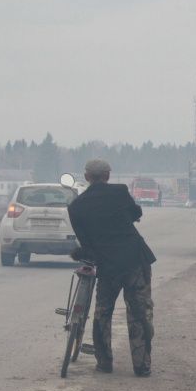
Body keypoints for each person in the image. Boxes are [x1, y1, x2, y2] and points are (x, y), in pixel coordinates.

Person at [67, 159, 156, 377]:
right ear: (108, 175)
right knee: (139, 312)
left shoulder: (76, 206)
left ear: (87, 177)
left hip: (107, 266)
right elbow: (135, 213)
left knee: (103, 312)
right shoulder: (120, 192)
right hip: (134, 261)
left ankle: (104, 361)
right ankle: (141, 365)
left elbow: (85, 242)